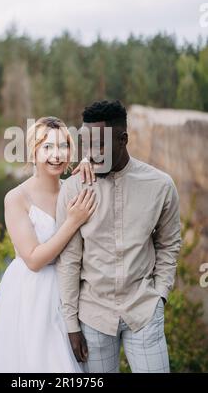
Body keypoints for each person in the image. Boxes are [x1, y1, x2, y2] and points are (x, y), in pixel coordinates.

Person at [56, 99, 182, 373]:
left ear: (123, 139)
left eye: (99, 144)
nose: (91, 153)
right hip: (93, 318)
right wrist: (71, 324)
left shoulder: (160, 185)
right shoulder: (74, 188)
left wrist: (160, 295)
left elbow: (169, 244)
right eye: (86, 143)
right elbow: (69, 259)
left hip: (144, 312)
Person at [0, 116, 96, 373]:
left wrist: (91, 165)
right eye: (47, 147)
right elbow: (33, 259)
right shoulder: (16, 198)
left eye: (63, 146)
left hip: (71, 292)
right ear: (33, 151)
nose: (57, 155)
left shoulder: (73, 190)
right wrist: (72, 221)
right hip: (32, 297)